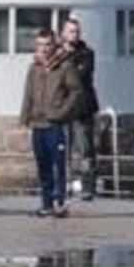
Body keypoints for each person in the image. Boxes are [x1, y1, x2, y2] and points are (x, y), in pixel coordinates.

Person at [21, 28, 82, 218]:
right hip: (37, 124)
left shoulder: (65, 66)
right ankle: (46, 203)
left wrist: (61, 112)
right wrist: (24, 117)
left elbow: (76, 91)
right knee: (43, 166)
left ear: (54, 45)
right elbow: (28, 93)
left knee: (58, 165)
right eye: (40, 45)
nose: (44, 49)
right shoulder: (34, 67)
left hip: (55, 124)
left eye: (47, 45)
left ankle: (60, 202)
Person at [59, 17, 101, 201]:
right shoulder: (56, 53)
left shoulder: (87, 53)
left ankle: (88, 187)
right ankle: (62, 186)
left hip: (82, 108)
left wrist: (67, 63)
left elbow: (79, 76)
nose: (74, 35)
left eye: (76, 31)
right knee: (61, 149)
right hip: (61, 108)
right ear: (63, 33)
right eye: (70, 31)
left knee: (85, 149)